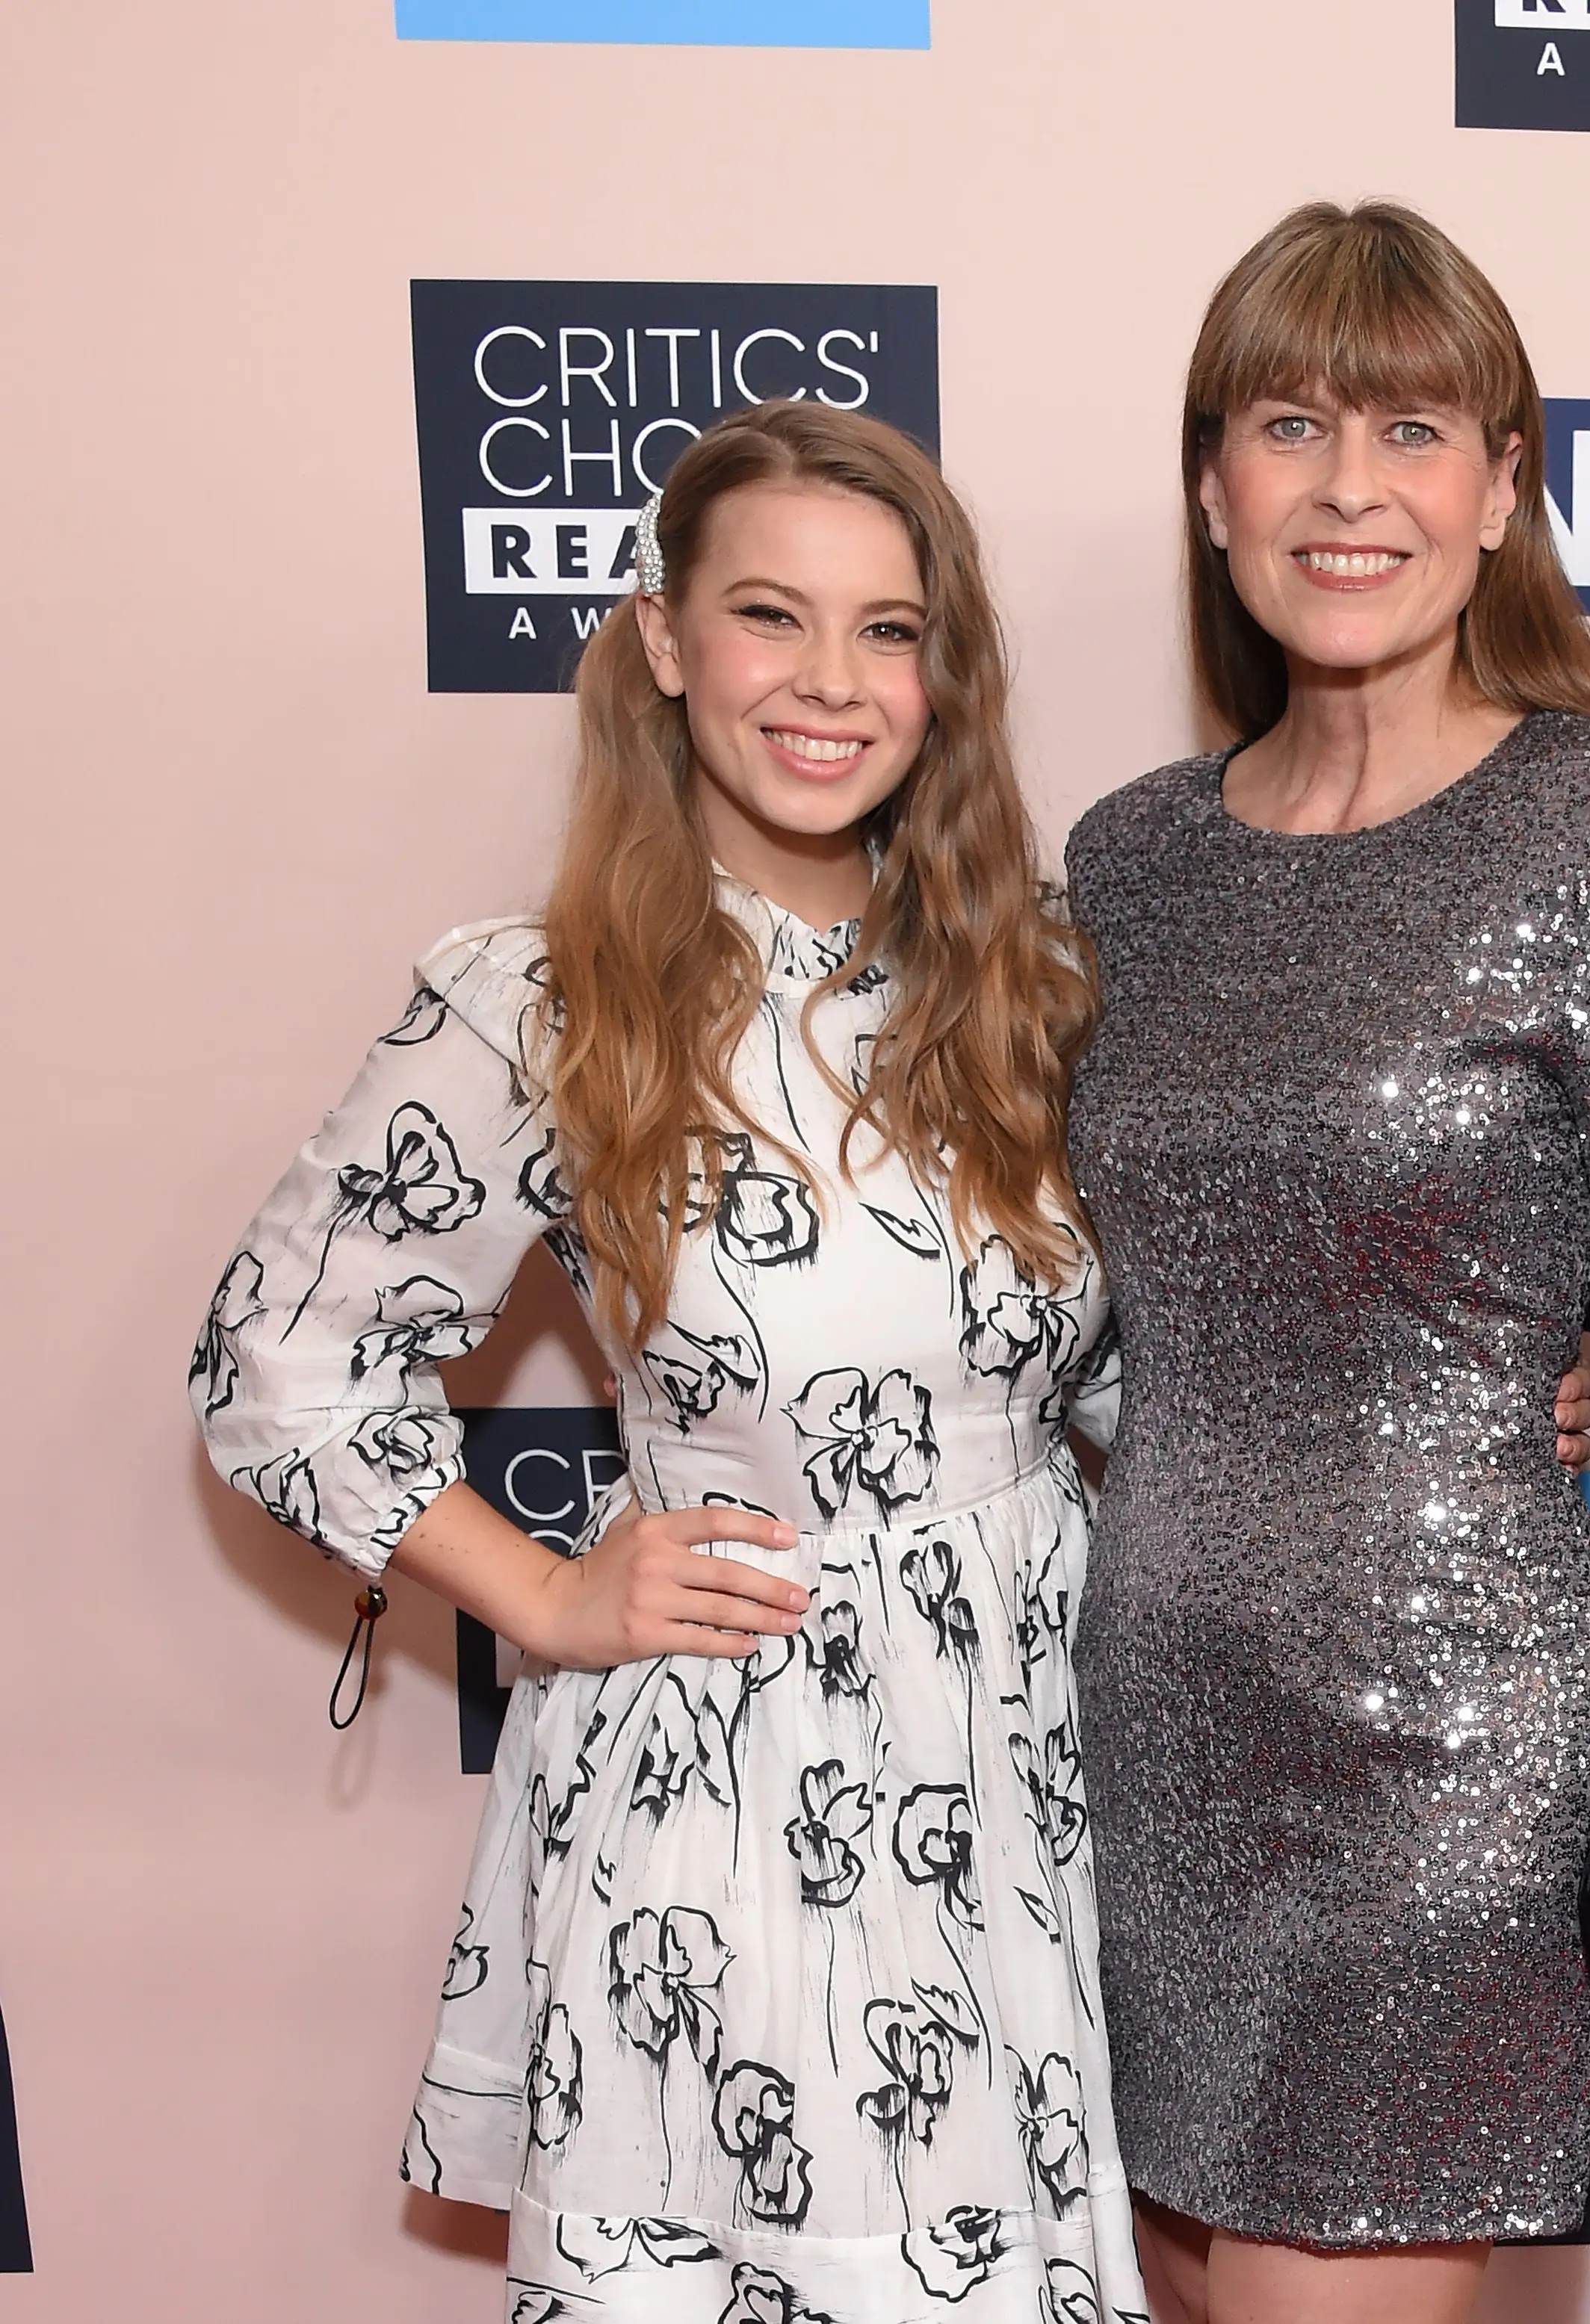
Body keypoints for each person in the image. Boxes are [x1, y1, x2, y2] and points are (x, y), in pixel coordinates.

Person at [193, 401, 1153, 2323]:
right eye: (770, 616)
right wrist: (542, 1590)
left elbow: (1136, 1381)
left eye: (889, 630)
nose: (828, 683)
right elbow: (275, 1361)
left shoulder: (1039, 981)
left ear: (944, 673)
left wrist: (1421, 1404)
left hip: (1028, 1760)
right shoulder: (539, 993)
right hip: (732, 1772)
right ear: (664, 640)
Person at [1061, 202, 1590, 2324]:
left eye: (1414, 428)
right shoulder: (1129, 860)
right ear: (1212, 483)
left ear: (1504, 487)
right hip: (1142, 1721)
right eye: (1287, 421)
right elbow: (1087, 1306)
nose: (1346, 486)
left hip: (1445, 1739)